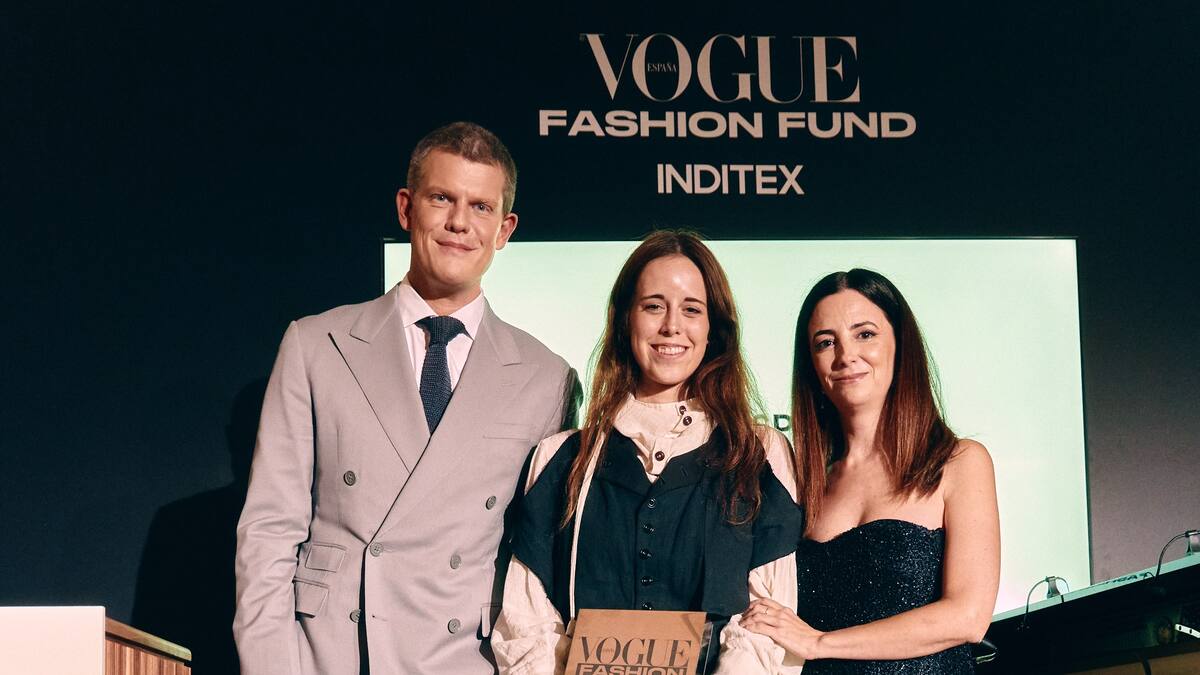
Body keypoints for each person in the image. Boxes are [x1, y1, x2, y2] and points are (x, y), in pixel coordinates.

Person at [234, 122, 578, 675]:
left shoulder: (548, 378)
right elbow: (269, 533)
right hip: (334, 657)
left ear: (505, 229)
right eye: (442, 198)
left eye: (481, 207)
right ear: (406, 208)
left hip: (468, 661)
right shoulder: (316, 344)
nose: (459, 222)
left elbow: (540, 565)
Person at [492, 230, 805, 674]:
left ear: (714, 329)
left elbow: (766, 625)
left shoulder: (758, 454)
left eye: (692, 309)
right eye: (654, 306)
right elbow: (525, 626)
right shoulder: (561, 459)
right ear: (626, 320)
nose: (671, 326)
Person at [741, 269, 1000, 673]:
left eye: (865, 334)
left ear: (900, 345)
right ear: (812, 365)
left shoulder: (959, 462)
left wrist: (819, 642)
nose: (846, 355)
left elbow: (967, 617)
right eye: (826, 342)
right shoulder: (804, 483)